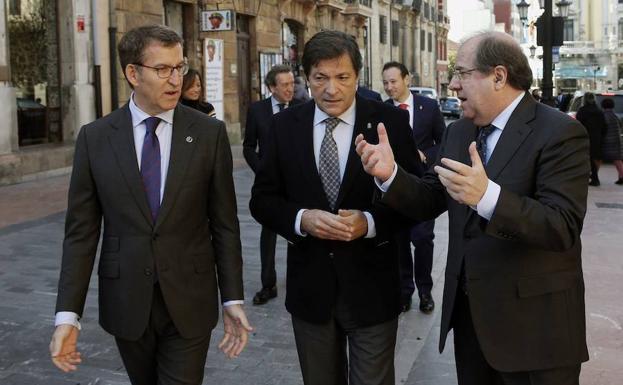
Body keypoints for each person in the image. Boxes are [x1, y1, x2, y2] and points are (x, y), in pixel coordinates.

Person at [356, 31, 589, 385]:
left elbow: (562, 226)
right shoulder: (459, 132)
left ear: (498, 76)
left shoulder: (559, 133)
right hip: (472, 326)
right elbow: (432, 198)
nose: (452, 85)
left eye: (462, 73)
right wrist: (391, 176)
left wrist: (488, 198)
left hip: (536, 334)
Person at [49, 25, 253, 385]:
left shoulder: (208, 134)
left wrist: (232, 298)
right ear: (132, 73)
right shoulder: (95, 139)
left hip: (190, 299)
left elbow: (224, 224)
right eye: (163, 69)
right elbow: (81, 235)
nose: (176, 79)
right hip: (127, 300)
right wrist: (68, 316)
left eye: (179, 67)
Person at [249, 30, 422, 385]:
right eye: (320, 78)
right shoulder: (283, 127)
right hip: (311, 293)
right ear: (306, 78)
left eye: (342, 77)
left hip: (373, 290)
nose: (331, 89)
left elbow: (420, 200)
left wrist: (370, 223)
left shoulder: (390, 124)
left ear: (358, 76)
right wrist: (302, 219)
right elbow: (262, 201)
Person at [382, 61, 445, 313]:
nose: (389, 87)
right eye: (385, 82)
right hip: (394, 187)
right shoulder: (382, 110)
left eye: (393, 81)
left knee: (422, 239)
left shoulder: (428, 107)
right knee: (399, 242)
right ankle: (405, 291)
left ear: (407, 79)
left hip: (422, 186)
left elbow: (443, 141)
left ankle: (425, 291)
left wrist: (425, 155)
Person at [242, 64, 301, 305]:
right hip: (269, 185)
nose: (290, 89)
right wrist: (263, 171)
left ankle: (299, 281)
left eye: (292, 84)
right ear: (271, 88)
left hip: (297, 183)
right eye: (285, 85)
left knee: (297, 232)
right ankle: (269, 284)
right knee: (268, 235)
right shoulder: (257, 111)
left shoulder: (302, 108)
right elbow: (248, 147)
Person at [576, 92, 607, 186]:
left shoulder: (582, 110)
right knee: (594, 157)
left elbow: (578, 124)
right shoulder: (599, 111)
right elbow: (604, 126)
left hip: (585, 136)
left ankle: (593, 177)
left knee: (586, 157)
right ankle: (594, 176)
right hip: (597, 137)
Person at [600, 98, 623, 184]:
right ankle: (621, 176)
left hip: (606, 141)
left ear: (602, 106)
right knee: (617, 159)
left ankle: (594, 177)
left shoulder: (603, 116)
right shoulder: (615, 116)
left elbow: (602, 128)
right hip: (617, 140)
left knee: (599, 158)